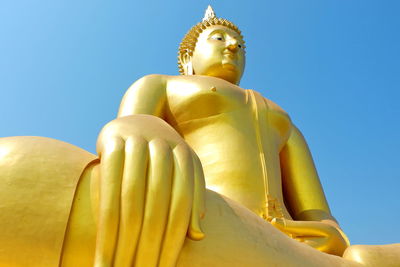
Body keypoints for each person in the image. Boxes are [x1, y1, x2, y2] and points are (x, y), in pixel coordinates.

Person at [0, 6, 398, 267]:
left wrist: (324, 231)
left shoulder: (282, 120)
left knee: (364, 257)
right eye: (219, 38)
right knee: (19, 176)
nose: (234, 46)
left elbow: (321, 217)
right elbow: (130, 128)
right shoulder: (163, 85)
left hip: (289, 244)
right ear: (188, 58)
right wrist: (145, 130)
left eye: (239, 45)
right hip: (204, 217)